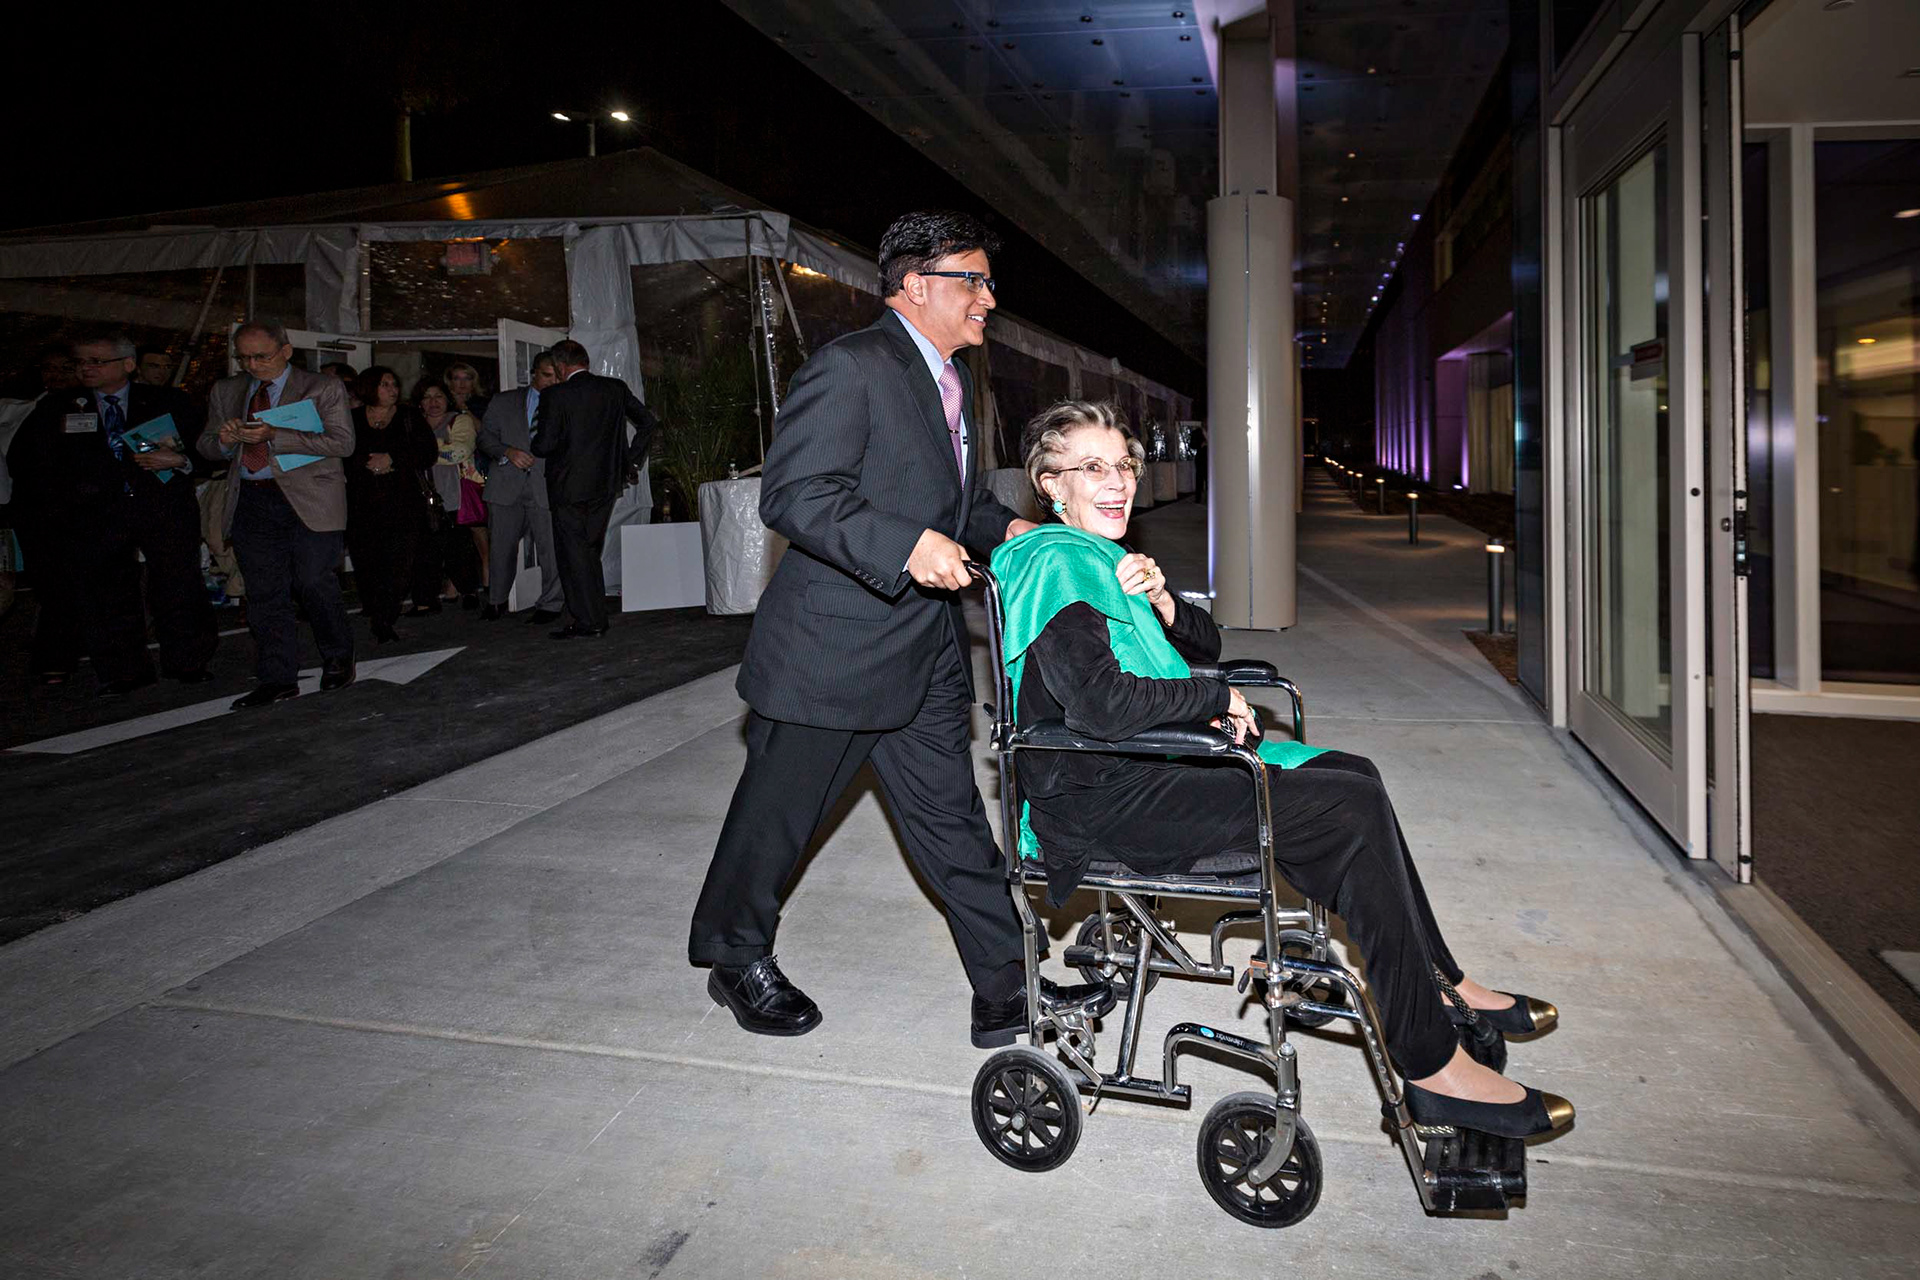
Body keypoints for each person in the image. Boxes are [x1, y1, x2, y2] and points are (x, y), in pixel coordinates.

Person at [991, 400, 1573, 1139]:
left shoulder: (1100, 556)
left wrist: (1163, 599)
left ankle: (1437, 980)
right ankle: (1431, 1066)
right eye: (1093, 468)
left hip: (1145, 766)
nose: (1119, 482)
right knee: (1345, 808)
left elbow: (1202, 644)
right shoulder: (1054, 562)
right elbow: (1101, 705)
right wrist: (1212, 699)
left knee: (1356, 775)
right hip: (1106, 797)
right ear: (1051, 484)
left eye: (1125, 465)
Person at [688, 209, 1107, 1047]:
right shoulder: (852, 366)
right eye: (972, 280)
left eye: (989, 281)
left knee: (953, 823)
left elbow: (951, 503)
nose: (988, 297)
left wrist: (1012, 532)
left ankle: (1007, 986)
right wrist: (907, 546)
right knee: (776, 822)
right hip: (832, 650)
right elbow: (797, 494)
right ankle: (733, 957)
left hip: (923, 648)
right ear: (915, 285)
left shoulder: (951, 381)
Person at [7, 331, 216, 694]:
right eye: (81, 362)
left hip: (162, 508)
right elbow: (28, 461)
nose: (86, 369)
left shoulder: (168, 401)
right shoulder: (60, 407)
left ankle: (188, 660)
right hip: (95, 515)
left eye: (97, 361)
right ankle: (124, 670)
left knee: (177, 585)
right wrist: (68, 496)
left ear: (128, 364)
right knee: (106, 592)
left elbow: (208, 450)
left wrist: (181, 461)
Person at [198, 319, 356, 708]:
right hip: (252, 499)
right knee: (264, 592)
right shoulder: (226, 390)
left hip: (311, 499)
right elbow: (205, 446)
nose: (253, 365)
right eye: (244, 358)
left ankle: (338, 657)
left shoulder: (322, 386)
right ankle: (277, 677)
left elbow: (342, 443)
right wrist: (223, 441)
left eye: (262, 356)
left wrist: (275, 436)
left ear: (286, 351)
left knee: (313, 581)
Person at [528, 340, 657, 638]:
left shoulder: (555, 395)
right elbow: (648, 423)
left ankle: (589, 621)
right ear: (585, 361)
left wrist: (536, 440)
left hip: (567, 486)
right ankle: (593, 617)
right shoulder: (614, 388)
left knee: (573, 554)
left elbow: (544, 445)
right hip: (606, 485)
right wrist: (630, 461)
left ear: (561, 367)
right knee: (587, 551)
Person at [3, 346, 82, 683]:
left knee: (62, 584)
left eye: (65, 368)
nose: (56, 375)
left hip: (74, 512)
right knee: (46, 584)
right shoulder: (17, 409)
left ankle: (56, 657)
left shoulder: (87, 407)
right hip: (26, 511)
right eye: (50, 368)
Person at [345, 366, 437, 644]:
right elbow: (341, 453)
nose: (392, 389)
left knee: (399, 563)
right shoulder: (352, 418)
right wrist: (367, 463)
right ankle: (375, 606)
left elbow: (427, 452)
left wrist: (392, 458)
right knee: (367, 561)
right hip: (362, 504)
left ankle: (385, 617)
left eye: (394, 384)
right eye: (385, 384)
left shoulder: (409, 416)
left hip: (403, 503)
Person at [474, 352, 565, 623]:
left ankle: (551, 604)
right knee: (501, 547)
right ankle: (496, 600)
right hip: (506, 484)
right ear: (534, 373)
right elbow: (484, 438)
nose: (552, 382)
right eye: (547, 375)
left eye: (557, 377)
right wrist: (506, 451)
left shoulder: (565, 402)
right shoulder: (504, 401)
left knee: (551, 549)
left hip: (546, 485)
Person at [409, 379, 481, 614]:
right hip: (419, 496)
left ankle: (468, 590)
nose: (433, 402)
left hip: (452, 495)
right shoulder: (412, 423)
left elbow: (459, 451)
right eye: (427, 397)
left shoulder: (458, 420)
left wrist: (424, 450)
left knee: (458, 547)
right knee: (424, 551)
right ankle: (425, 600)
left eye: (438, 396)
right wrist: (439, 448)